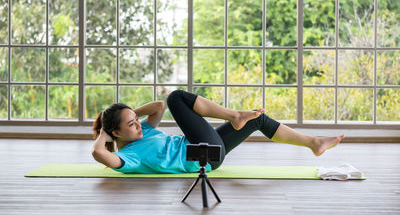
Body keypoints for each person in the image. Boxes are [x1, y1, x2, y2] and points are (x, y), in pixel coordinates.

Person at [92, 89, 345, 174]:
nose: (138, 124)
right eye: (131, 124)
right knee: (176, 97)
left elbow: (157, 107)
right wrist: (105, 131)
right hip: (204, 156)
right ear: (116, 133)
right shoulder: (129, 158)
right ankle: (234, 115)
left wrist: (129, 113)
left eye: (137, 119)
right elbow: (98, 154)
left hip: (204, 147)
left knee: (256, 120)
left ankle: (313, 143)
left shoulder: (143, 130)